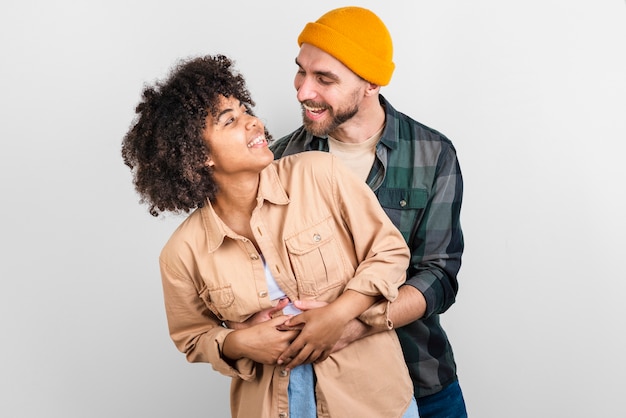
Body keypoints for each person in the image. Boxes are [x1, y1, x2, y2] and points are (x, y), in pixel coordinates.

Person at [121, 54, 420, 418]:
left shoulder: (319, 173)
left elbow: (389, 252)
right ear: (198, 156)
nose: (254, 123)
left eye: (246, 110)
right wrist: (239, 342)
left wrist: (340, 314)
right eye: (230, 120)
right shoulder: (181, 253)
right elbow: (192, 337)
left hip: (370, 399)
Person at [270, 6, 468, 418]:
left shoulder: (432, 154)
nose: (303, 91)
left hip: (423, 378)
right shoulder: (279, 161)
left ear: (371, 83)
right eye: (301, 71)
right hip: (323, 392)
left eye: (324, 78)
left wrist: (356, 324)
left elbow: (439, 275)